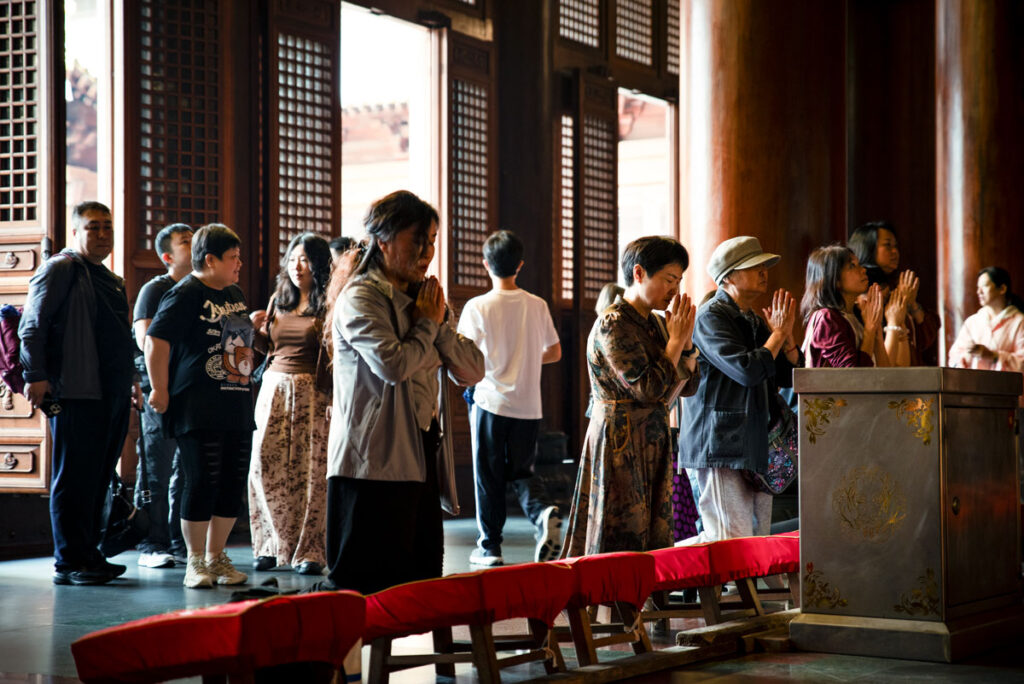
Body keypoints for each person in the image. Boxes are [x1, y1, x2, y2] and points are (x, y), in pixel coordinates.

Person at [326, 190, 484, 594]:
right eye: (418, 240)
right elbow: (393, 365)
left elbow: (472, 370)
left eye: (432, 241)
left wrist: (436, 320)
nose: (427, 252)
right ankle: (344, 661)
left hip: (417, 454)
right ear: (384, 240)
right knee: (363, 589)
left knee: (417, 583)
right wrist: (427, 324)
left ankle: (388, 661)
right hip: (371, 463)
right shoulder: (361, 297)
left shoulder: (423, 300)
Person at [19, 201, 137, 586]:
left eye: (107, 227)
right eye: (93, 228)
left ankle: (90, 554)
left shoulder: (110, 278)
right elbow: (31, 326)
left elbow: (120, 338)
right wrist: (35, 376)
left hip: (112, 391)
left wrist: (132, 379)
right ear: (76, 232)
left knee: (99, 477)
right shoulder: (61, 269)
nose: (102, 235)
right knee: (73, 478)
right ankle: (68, 562)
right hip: (76, 391)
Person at [562, 236, 699, 557]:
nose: (675, 290)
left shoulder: (656, 323)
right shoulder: (613, 323)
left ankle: (646, 603)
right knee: (620, 530)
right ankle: (611, 605)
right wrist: (676, 341)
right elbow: (648, 387)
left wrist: (687, 343)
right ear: (639, 273)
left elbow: (689, 386)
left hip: (653, 438)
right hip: (620, 440)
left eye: (678, 281)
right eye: (668, 279)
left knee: (653, 532)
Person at [145, 224, 255, 589]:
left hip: (235, 400)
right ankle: (195, 561)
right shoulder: (185, 293)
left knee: (231, 480)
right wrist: (160, 389)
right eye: (233, 258)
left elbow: (236, 346)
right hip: (197, 403)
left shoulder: (234, 292)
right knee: (201, 480)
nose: (239, 264)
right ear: (210, 260)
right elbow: (155, 342)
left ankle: (216, 557)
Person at [677, 236, 801, 544]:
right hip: (719, 444)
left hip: (751, 442)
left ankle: (694, 575)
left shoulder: (752, 319)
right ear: (729, 277)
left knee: (754, 537)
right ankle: (666, 563)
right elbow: (747, 370)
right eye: (754, 267)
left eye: (764, 267)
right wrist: (776, 336)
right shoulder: (711, 317)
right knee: (730, 538)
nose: (764, 273)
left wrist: (787, 339)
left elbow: (787, 377)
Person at [456, 230, 563, 567]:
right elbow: (555, 352)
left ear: (485, 264)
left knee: (487, 475)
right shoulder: (537, 304)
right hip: (528, 405)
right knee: (521, 471)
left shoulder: (477, 306)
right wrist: (527, 358)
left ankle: (490, 548)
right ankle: (542, 513)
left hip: (489, 401)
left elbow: (462, 354)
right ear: (520, 264)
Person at [247, 233, 333, 575]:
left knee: (311, 471)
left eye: (306, 260)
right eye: (294, 259)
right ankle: (269, 545)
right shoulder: (277, 300)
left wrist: (334, 397)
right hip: (274, 390)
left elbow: (333, 356)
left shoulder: (329, 302)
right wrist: (254, 332)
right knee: (264, 468)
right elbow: (268, 350)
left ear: (319, 264)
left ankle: (310, 550)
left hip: (313, 392)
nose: (298, 267)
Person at [132, 223, 193, 569]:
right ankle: (150, 543)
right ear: (168, 257)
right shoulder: (155, 289)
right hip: (160, 388)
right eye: (186, 242)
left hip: (188, 390)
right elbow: (145, 340)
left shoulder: (200, 289)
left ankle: (177, 541)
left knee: (185, 469)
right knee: (156, 465)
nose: (194, 244)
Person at [849, 221, 941, 365]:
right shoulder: (859, 291)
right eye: (888, 245)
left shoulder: (899, 284)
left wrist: (910, 303)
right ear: (868, 247)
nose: (895, 252)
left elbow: (924, 338)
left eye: (896, 246)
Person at [801, 245, 897, 368]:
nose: (863, 270)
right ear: (834, 279)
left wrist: (875, 330)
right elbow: (853, 377)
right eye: (852, 266)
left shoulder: (859, 313)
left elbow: (884, 373)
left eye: (859, 264)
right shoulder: (827, 318)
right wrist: (869, 330)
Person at [948, 267, 1024, 376]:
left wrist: (994, 356)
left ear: (1002, 288)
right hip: (976, 388)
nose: (979, 292)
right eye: (978, 287)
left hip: (1006, 390)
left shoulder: (1020, 322)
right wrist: (966, 356)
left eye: (984, 286)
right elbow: (954, 358)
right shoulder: (972, 322)